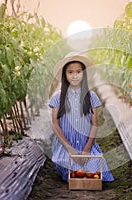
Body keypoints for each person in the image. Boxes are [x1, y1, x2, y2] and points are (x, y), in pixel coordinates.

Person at [48, 52, 114, 182]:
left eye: (78, 72)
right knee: (70, 168)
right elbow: (55, 124)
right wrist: (70, 149)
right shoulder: (58, 97)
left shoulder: (91, 96)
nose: (75, 76)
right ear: (64, 75)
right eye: (70, 72)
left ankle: (86, 162)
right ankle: (68, 165)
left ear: (84, 73)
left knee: (95, 168)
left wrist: (87, 149)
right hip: (66, 145)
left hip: (85, 144)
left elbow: (94, 124)